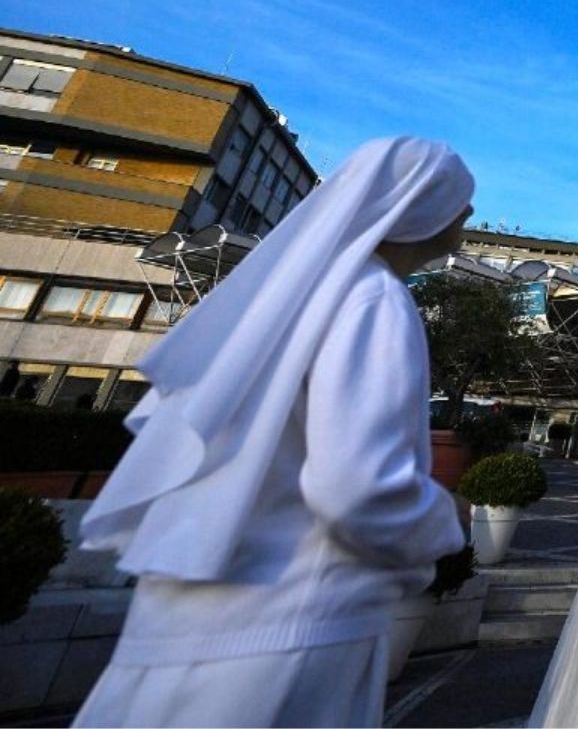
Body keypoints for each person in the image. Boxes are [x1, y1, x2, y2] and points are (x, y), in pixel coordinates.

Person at [74, 137, 476, 727]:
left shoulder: (297, 297)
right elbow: (359, 487)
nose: (468, 214)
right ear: (421, 207)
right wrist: (446, 522)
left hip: (187, 621)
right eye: (461, 200)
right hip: (292, 628)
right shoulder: (374, 299)